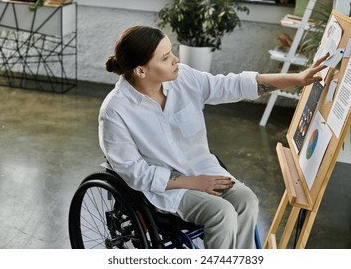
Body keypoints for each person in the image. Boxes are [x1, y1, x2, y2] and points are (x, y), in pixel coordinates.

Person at [99, 25, 328, 249]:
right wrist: (193, 182)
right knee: (222, 213)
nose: (176, 60)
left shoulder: (184, 78)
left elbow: (233, 85)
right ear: (141, 70)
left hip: (202, 168)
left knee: (247, 200)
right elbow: (133, 171)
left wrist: (297, 78)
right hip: (163, 187)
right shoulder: (115, 111)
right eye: (166, 57)